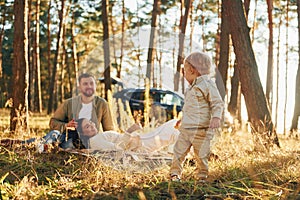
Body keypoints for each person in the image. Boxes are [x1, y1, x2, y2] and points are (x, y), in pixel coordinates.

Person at [169, 51, 224, 182]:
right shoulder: (191, 88)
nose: (184, 74)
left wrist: (216, 117)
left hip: (201, 130)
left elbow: (217, 102)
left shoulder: (207, 84)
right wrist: (182, 120)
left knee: (201, 155)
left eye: (185, 71)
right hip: (186, 129)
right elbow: (190, 109)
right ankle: (174, 174)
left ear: (193, 70)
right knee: (178, 152)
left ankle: (202, 177)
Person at [49, 73, 115, 148]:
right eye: (85, 84)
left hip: (92, 142)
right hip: (71, 140)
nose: (89, 86)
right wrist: (66, 125)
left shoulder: (102, 103)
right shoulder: (69, 103)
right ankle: (40, 145)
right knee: (55, 135)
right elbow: (52, 122)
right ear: (79, 87)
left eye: (91, 83)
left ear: (95, 86)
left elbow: (109, 129)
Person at [75, 118, 180, 153]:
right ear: (83, 133)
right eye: (87, 127)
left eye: (91, 122)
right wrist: (129, 131)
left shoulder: (98, 137)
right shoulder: (95, 140)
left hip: (140, 141)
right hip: (140, 145)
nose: (92, 126)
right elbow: (118, 151)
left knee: (174, 125)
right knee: (173, 128)